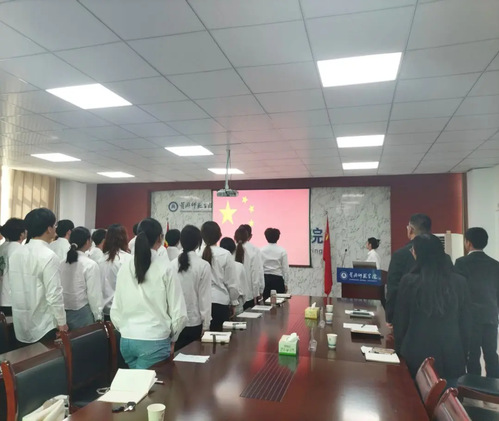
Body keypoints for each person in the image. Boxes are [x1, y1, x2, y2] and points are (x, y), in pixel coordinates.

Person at [394, 234, 470, 385]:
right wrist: (463, 353)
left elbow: (401, 322)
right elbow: (466, 324)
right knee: (447, 398)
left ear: (418, 254)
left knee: (413, 399)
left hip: (414, 356)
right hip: (451, 356)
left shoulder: (409, 281)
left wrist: (399, 351)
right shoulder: (460, 282)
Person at [111, 218, 187, 369]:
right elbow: (179, 314)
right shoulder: (165, 267)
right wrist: (172, 338)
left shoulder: (125, 267)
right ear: (160, 238)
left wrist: (127, 329)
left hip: (126, 340)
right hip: (154, 340)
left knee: (135, 382)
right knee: (151, 384)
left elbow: (116, 309)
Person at [9, 208, 67, 343]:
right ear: (49, 229)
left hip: (21, 323)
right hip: (43, 326)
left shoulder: (16, 253)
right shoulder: (49, 256)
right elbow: (54, 294)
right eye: (54, 225)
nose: (55, 228)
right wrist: (62, 322)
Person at [455, 227, 499, 378]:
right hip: (490, 316)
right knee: (491, 355)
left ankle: (474, 388)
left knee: (472, 355)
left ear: (468, 242)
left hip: (470, 318)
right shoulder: (495, 264)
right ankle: (494, 388)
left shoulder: (461, 263)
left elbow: (458, 291)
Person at [386, 214, 432, 325]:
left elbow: (393, 288)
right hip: (436, 317)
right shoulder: (442, 256)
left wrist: (390, 317)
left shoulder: (400, 255)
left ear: (410, 230)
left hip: (407, 316)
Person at [171, 225, 211, 351]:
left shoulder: (172, 264)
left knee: (176, 359)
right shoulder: (203, 265)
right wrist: (206, 325)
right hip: (194, 322)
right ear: (198, 243)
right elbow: (204, 298)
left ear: (181, 241)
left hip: (175, 322)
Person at [60, 227, 104, 330]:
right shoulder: (90, 264)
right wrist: (98, 316)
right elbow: (94, 294)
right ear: (88, 241)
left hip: (63, 312)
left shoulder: (62, 263)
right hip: (82, 313)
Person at [201, 221, 240, 331]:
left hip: (201, 303)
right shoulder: (225, 254)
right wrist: (234, 302)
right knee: (220, 338)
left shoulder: (197, 253)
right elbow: (231, 282)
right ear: (219, 235)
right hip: (220, 302)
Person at [99, 224, 130, 317]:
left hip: (103, 309)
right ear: (124, 239)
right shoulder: (127, 259)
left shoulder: (100, 259)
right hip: (120, 310)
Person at [0, 218, 27, 316]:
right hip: (13, 300)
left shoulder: (2, 247)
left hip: (3, 298)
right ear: (21, 234)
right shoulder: (21, 250)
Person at [220, 237, 248, 315]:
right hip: (237, 303)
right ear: (234, 250)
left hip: (222, 302)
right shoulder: (239, 266)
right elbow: (244, 289)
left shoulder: (217, 265)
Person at [234, 227, 260, 310]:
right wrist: (256, 294)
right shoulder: (252, 253)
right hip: (248, 295)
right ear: (248, 237)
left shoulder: (230, 252)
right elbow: (255, 276)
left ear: (235, 237)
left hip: (233, 296)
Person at [260, 228, 289, 300]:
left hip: (265, 279)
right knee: (279, 302)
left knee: (265, 301)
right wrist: (286, 283)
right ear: (278, 237)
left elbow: (259, 268)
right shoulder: (282, 251)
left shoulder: (261, 250)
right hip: (278, 280)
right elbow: (285, 269)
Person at [239, 224, 264, 298]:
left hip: (234, 295)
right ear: (250, 236)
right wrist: (259, 291)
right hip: (249, 294)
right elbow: (258, 271)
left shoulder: (232, 248)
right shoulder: (254, 250)